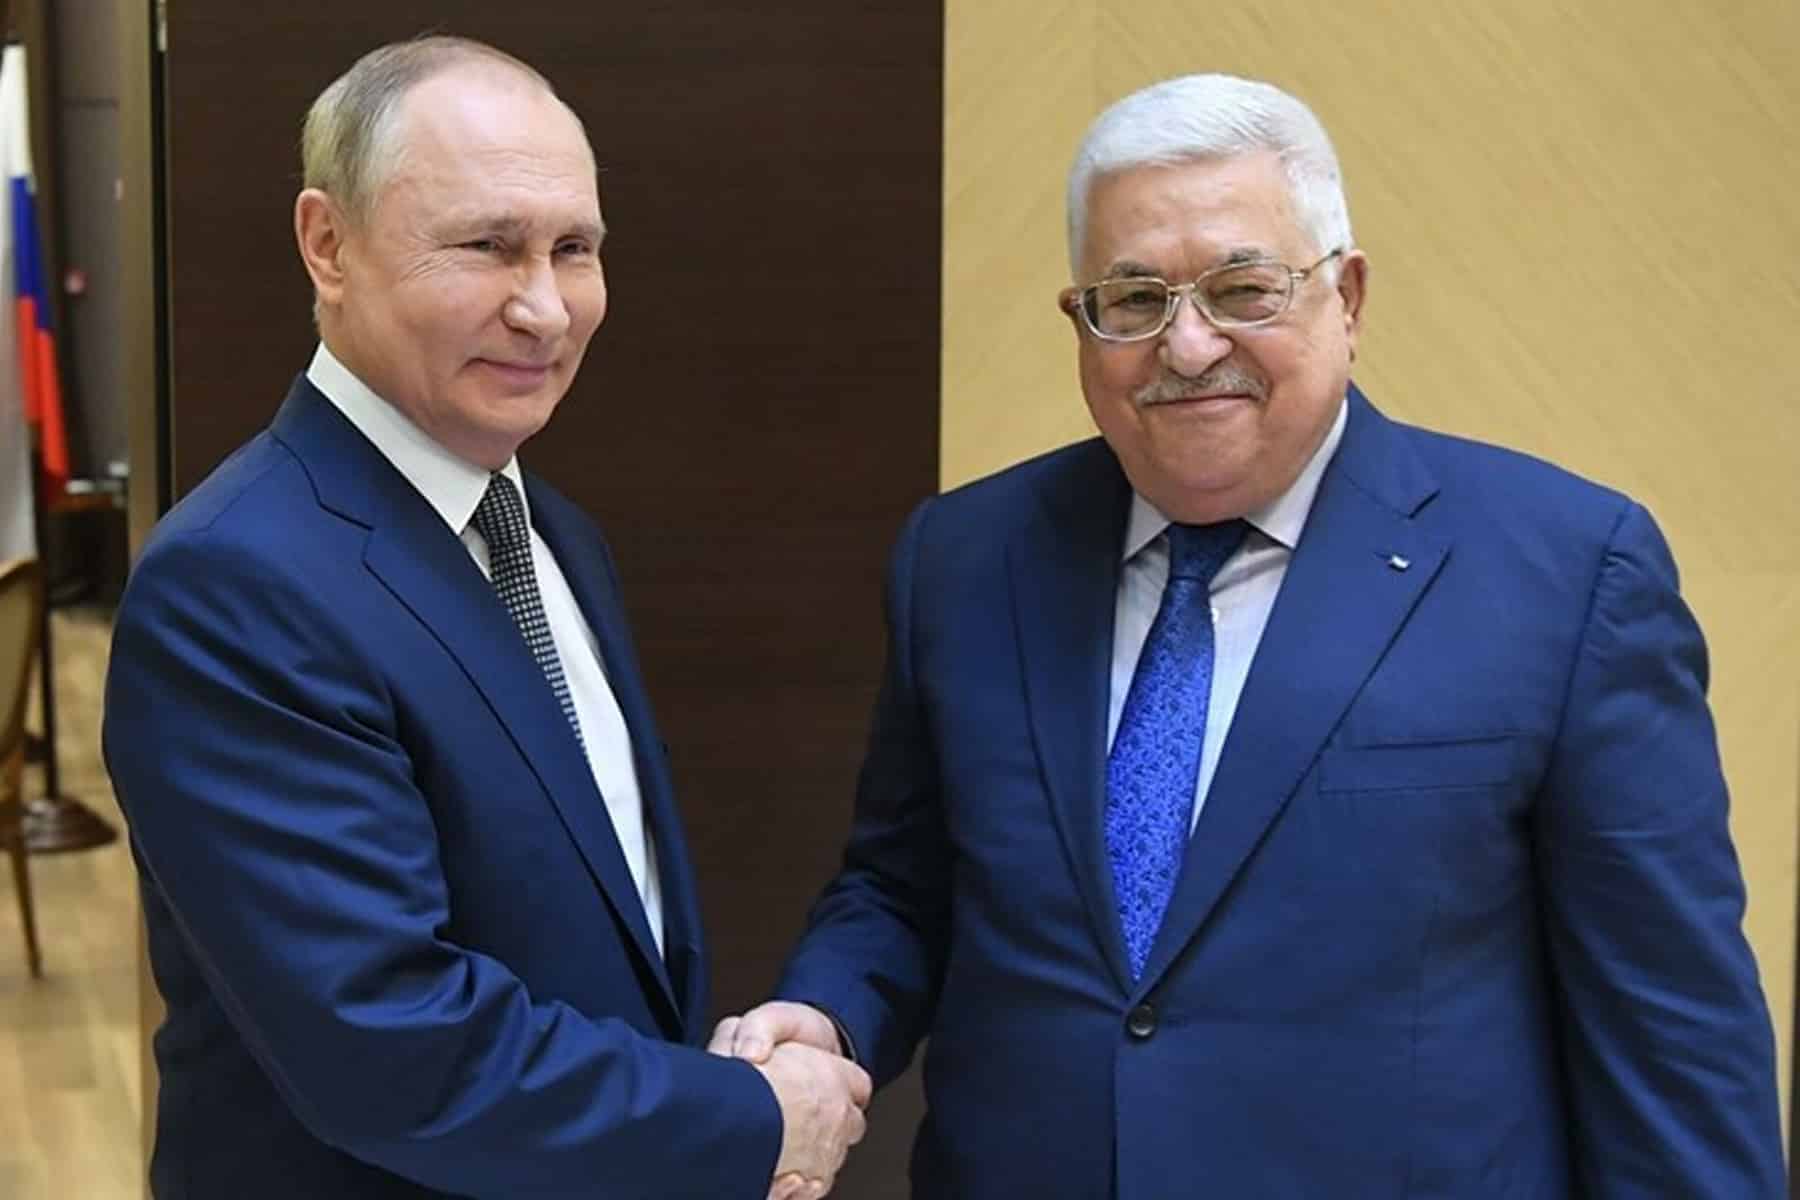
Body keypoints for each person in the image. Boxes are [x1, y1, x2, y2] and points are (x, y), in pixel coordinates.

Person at [712, 73, 1786, 1197]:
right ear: (1080, 321)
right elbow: (905, 885)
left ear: (1347, 298)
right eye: (1134, 299)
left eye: (1243, 289)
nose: (1187, 346)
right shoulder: (966, 559)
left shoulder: (1565, 571)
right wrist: (829, 1014)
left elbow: (1671, 1034)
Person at [104, 36, 867, 1200]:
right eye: (487, 246)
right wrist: (751, 1120)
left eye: (575, 249)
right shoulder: (233, 585)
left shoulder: (551, 532)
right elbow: (387, 1047)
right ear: (327, 245)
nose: (545, 309)